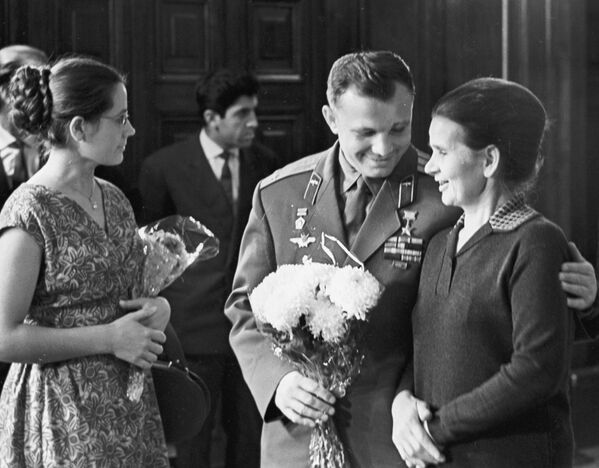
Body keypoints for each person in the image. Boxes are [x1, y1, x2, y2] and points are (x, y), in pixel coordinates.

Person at [224, 50, 598, 467]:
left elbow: (510, 302)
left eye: (399, 128)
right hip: (298, 432)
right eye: (365, 132)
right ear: (332, 119)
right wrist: (278, 384)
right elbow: (243, 306)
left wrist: (588, 299)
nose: (383, 148)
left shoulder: (450, 191)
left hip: (401, 435)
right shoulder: (278, 194)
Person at [392, 77, 578, 467]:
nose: (431, 165)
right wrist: (402, 404)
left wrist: (436, 429)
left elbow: (535, 372)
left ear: (489, 160)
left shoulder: (536, 242)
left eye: (442, 151)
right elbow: (422, 347)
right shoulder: (440, 243)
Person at [0, 56, 171, 466]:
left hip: (129, 404)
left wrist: (158, 308)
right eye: (121, 118)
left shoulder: (113, 198)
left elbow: (126, 299)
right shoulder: (29, 211)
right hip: (63, 412)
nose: (130, 129)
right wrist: (108, 339)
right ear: (79, 128)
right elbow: (3, 336)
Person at [139, 68, 279, 468]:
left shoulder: (267, 164)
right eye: (242, 114)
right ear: (211, 119)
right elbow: (147, 257)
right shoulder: (162, 167)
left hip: (252, 329)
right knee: (193, 445)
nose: (253, 122)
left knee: (248, 441)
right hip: (192, 331)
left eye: (255, 112)